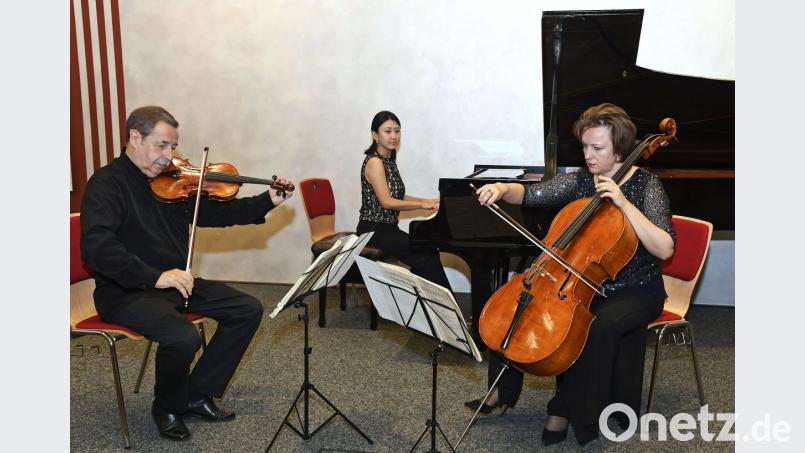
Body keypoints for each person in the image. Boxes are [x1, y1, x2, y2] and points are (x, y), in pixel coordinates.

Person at [464, 103, 675, 446]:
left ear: (620, 149)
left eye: (598, 148)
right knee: (520, 305)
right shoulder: (581, 180)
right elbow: (532, 194)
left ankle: (564, 410)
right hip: (580, 284)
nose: (588, 155)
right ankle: (501, 390)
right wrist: (502, 188)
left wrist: (623, 203)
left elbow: (664, 248)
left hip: (634, 289)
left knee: (594, 326)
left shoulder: (647, 186)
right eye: (585, 147)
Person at [80, 106, 293, 442]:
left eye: (173, 147)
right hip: (125, 291)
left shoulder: (172, 185)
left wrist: (268, 200)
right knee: (183, 336)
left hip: (174, 285)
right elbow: (98, 249)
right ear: (134, 137)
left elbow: (219, 213)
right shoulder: (107, 184)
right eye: (162, 145)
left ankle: (196, 394)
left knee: (246, 309)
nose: (169, 156)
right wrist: (155, 276)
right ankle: (166, 407)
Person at [356, 110, 452, 291]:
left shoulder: (389, 160)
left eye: (397, 131)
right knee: (426, 257)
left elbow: (397, 197)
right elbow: (387, 202)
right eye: (388, 131)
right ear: (375, 135)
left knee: (428, 251)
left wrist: (428, 201)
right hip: (372, 229)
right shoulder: (375, 162)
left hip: (388, 228)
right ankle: (443, 305)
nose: (393, 136)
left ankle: (422, 300)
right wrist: (422, 205)